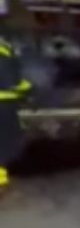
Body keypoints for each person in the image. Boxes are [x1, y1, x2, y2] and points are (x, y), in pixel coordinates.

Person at [0, 33, 31, 196]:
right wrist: (29, 89)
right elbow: (18, 85)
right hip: (5, 107)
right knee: (5, 144)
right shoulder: (6, 57)